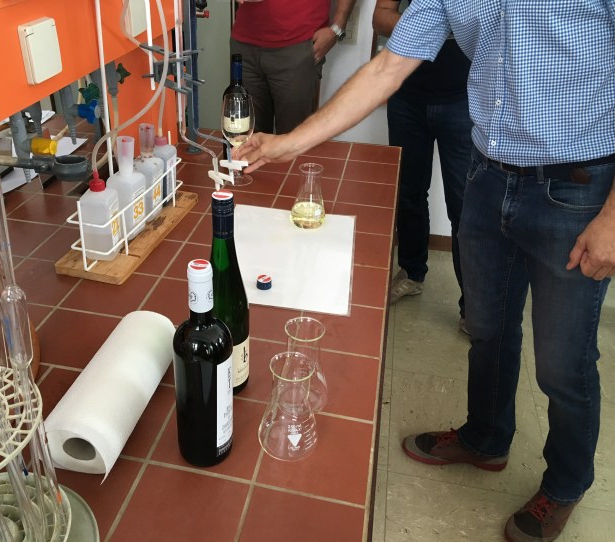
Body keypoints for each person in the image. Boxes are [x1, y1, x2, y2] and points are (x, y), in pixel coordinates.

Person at [235, 2, 615, 541]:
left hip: (575, 188)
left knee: (562, 360)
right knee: (486, 327)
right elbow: (388, 67)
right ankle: (486, 438)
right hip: (488, 175)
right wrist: (286, 143)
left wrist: (614, 217)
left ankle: (567, 482)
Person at [374, 0, 470, 334]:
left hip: (464, 99)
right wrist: (435, 26)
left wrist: (433, 26)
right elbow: (380, 17)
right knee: (409, 193)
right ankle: (412, 273)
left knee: (465, 206)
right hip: (407, 96)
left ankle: (473, 306)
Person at [230, 0, 356, 134]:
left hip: (298, 45)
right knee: (244, 137)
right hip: (245, 45)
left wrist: (337, 27)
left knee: (293, 136)